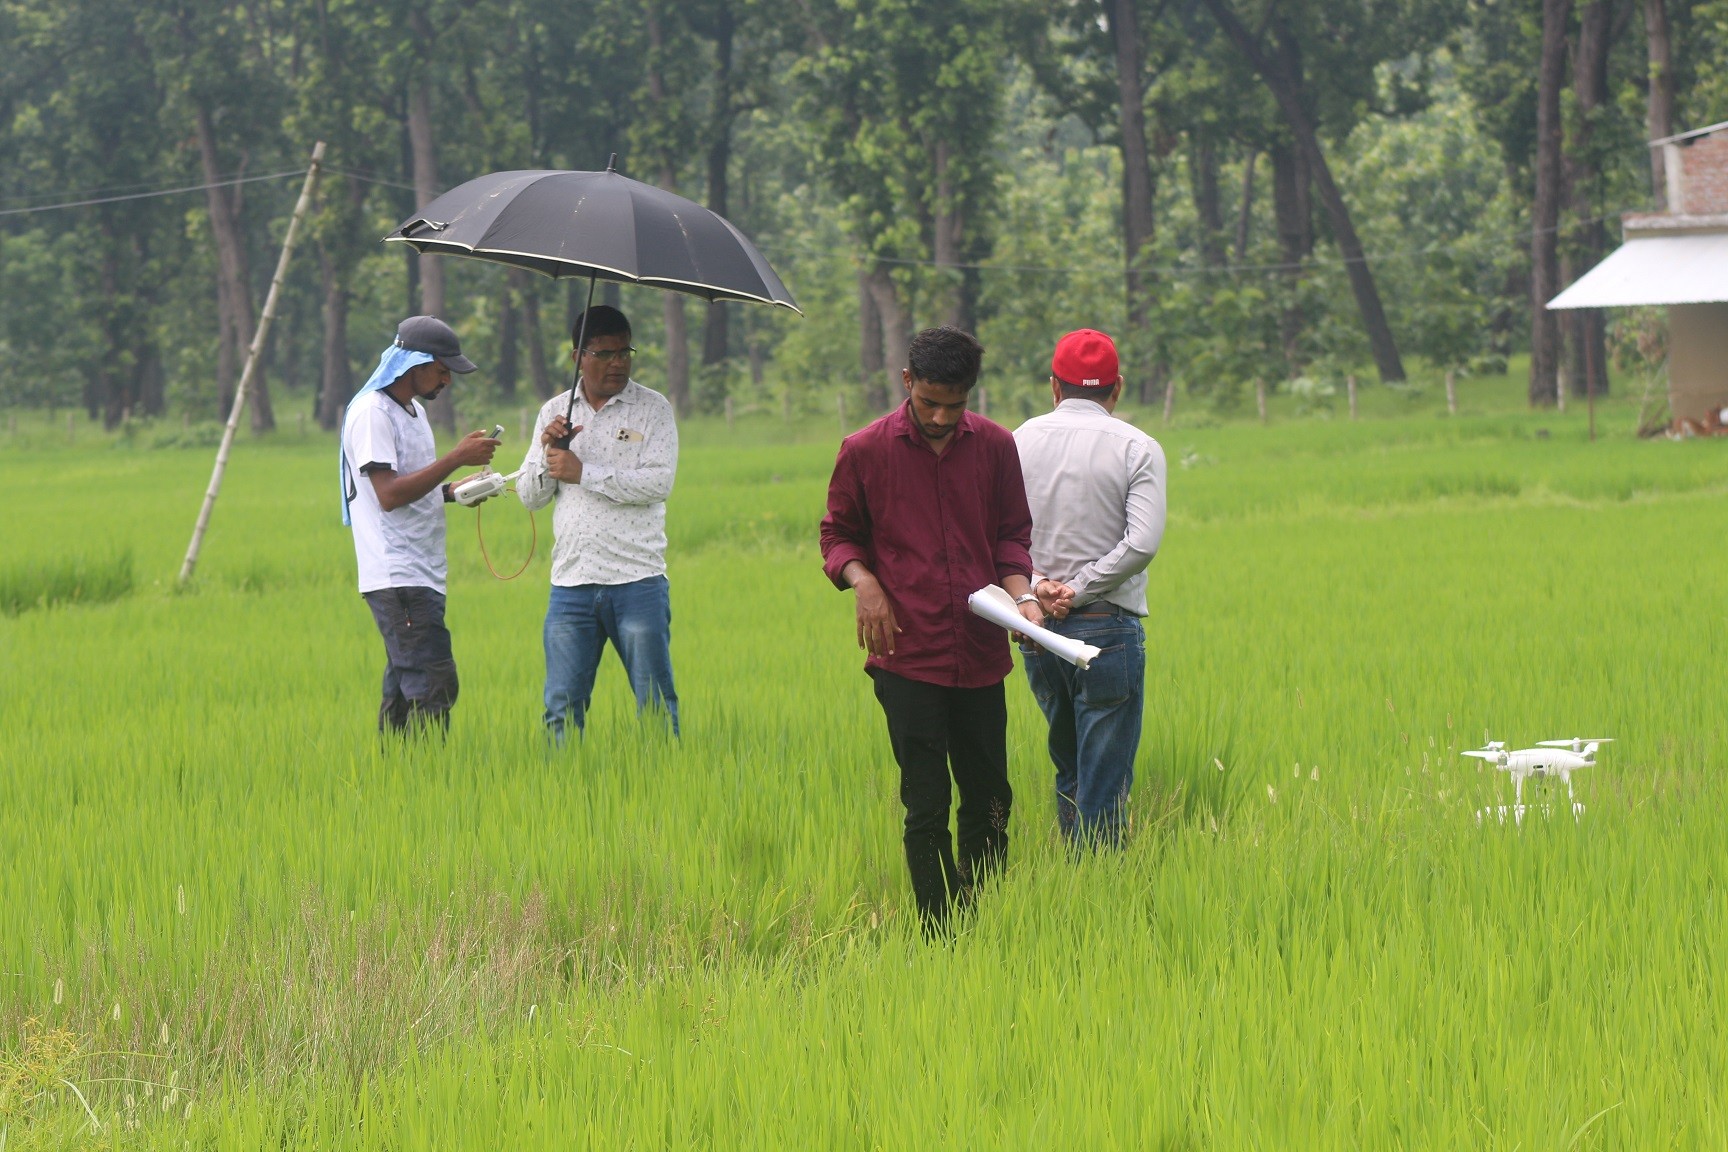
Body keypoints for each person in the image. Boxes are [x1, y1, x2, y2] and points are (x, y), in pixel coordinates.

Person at [819, 326, 1046, 931]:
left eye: (956, 404)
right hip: (906, 654)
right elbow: (837, 535)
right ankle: (940, 932)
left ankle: (986, 918)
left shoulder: (995, 446)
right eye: (929, 403)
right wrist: (864, 584)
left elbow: (1011, 537)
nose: (942, 417)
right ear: (907, 382)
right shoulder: (865, 450)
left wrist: (1023, 599)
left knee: (990, 796)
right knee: (925, 803)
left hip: (979, 651)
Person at [1012, 328, 1167, 845]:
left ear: (1054, 386)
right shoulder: (1138, 447)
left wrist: (1039, 586)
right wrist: (1077, 591)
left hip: (1036, 629)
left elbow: (997, 533)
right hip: (1108, 633)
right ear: (1117, 387)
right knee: (1105, 785)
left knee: (1071, 770)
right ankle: (1100, 881)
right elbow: (1141, 543)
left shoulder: (1018, 440)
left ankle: (1077, 880)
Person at [516, 305, 680, 739]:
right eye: (605, 353)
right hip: (572, 583)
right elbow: (530, 497)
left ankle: (667, 775)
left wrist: (583, 473)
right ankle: (562, 780)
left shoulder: (652, 409)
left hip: (637, 580)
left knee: (655, 703)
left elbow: (658, 483)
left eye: (625, 352)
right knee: (561, 709)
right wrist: (548, 450)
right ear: (578, 358)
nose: (618, 362)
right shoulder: (555, 411)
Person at [340, 315, 500, 734]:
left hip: (421, 571)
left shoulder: (413, 412)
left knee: (402, 688)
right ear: (414, 363)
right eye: (442, 370)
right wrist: (455, 458)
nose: (447, 381)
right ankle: (428, 768)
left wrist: (452, 490)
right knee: (434, 685)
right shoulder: (373, 413)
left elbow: (411, 484)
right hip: (399, 574)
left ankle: (397, 769)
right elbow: (389, 495)